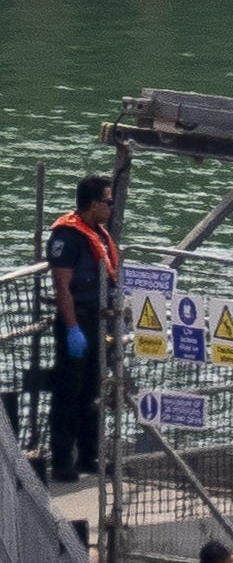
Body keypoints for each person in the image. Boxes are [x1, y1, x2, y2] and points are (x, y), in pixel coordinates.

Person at [45, 175, 119, 482]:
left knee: (94, 390)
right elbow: (62, 286)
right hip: (77, 320)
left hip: (99, 319)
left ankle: (89, 455)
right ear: (93, 204)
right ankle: (63, 460)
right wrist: (72, 327)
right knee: (69, 391)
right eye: (108, 201)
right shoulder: (69, 236)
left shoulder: (98, 233)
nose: (111, 207)